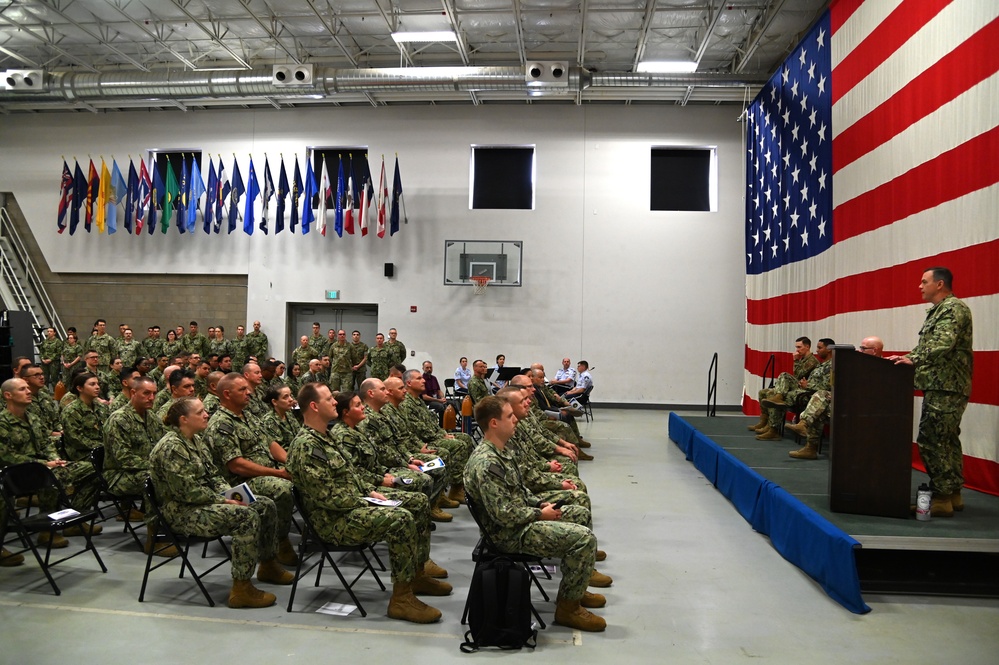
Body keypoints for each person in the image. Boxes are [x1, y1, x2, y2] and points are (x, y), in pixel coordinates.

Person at [285, 382, 448, 624]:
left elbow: (352, 474)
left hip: (352, 505)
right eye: (329, 398)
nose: (334, 402)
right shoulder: (307, 445)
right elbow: (327, 498)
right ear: (314, 406)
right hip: (332, 521)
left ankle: (417, 573)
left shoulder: (326, 436)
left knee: (418, 501)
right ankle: (401, 599)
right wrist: (367, 500)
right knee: (400, 519)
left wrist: (371, 490)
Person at [465, 396, 608, 632]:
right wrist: (540, 514)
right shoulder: (486, 462)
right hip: (508, 535)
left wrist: (541, 504)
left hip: (520, 520)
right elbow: (503, 514)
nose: (515, 421)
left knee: (576, 512)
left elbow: (519, 491)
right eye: (509, 417)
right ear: (493, 423)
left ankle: (576, 588)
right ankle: (568, 608)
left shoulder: (501, 450)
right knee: (584, 539)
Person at [149, 398, 294, 609]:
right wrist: (223, 500)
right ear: (184, 419)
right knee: (246, 517)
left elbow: (214, 475)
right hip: (182, 510)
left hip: (203, 500)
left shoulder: (196, 440)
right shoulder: (172, 447)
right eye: (200, 412)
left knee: (264, 505)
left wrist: (234, 495)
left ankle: (268, 564)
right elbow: (187, 492)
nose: (206, 414)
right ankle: (241, 588)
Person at [888, 268, 973, 517]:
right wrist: (907, 357)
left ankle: (941, 497)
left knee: (932, 439)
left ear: (940, 284)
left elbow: (942, 343)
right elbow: (931, 344)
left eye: (924, 281)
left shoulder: (953, 308)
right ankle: (953, 494)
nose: (919, 286)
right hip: (941, 384)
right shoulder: (939, 310)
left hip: (946, 386)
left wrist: (912, 358)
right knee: (946, 439)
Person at [202, 372, 297, 565]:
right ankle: (280, 540)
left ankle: (278, 537)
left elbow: (270, 443)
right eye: (242, 390)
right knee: (283, 489)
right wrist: (278, 473)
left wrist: (291, 464)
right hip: (236, 484)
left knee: (301, 476)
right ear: (227, 394)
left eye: (247, 388)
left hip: (263, 472)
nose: (249, 393)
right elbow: (236, 465)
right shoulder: (222, 423)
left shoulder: (248, 416)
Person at [0, 377, 101, 548]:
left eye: (27, 388)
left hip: (43, 468)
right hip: (15, 473)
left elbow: (46, 443)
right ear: (8, 395)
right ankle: (44, 532)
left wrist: (54, 458)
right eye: (22, 389)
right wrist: (43, 464)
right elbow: (6, 456)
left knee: (93, 470)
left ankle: (71, 517)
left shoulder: (32, 418)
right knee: (50, 478)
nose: (28, 391)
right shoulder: (3, 423)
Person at [104, 375, 172, 554]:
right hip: (119, 475)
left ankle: (175, 526)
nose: (151, 398)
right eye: (146, 393)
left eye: (154, 394)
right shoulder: (119, 419)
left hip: (145, 469)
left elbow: (163, 443)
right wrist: (156, 467)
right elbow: (123, 459)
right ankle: (154, 539)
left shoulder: (151, 417)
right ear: (133, 393)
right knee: (153, 479)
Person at [786, 337, 884, 460]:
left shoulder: (883, 370)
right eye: (860, 347)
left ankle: (804, 425)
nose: (860, 351)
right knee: (819, 408)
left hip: (865, 408)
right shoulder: (857, 367)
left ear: (874, 350)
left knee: (820, 397)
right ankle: (810, 447)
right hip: (846, 403)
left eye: (863, 348)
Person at [399, 369, 473, 504]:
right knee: (458, 445)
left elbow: (430, 423)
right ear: (409, 383)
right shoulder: (406, 403)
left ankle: (457, 488)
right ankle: (445, 493)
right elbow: (418, 428)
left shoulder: (418, 400)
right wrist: (441, 436)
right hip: (425, 440)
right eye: (419, 378)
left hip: (433, 436)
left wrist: (443, 433)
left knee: (465, 438)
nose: (423, 381)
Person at [756, 339, 834, 441]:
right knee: (782, 378)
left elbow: (827, 385)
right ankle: (771, 419)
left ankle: (773, 428)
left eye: (820, 348)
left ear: (829, 349)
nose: (817, 350)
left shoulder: (823, 363)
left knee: (775, 394)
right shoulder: (822, 364)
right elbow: (798, 377)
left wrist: (808, 384)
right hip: (804, 389)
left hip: (811, 394)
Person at [749, 337, 819, 433]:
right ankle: (764, 421)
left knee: (784, 375)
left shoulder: (812, 361)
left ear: (807, 347)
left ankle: (773, 428)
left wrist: (795, 360)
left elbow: (798, 375)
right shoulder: (803, 359)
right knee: (763, 392)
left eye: (799, 347)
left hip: (803, 389)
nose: (797, 350)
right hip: (797, 387)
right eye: (796, 347)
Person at [260, 384, 300, 465]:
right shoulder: (269, 421)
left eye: (290, 395)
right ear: (274, 402)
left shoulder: (288, 414)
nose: (291, 399)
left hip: (297, 454)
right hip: (283, 462)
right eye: (286, 397)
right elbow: (279, 450)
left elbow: (299, 434)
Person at [327, 329, 353, 394]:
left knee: (347, 392)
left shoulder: (350, 346)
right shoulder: (333, 346)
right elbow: (329, 357)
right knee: (334, 392)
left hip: (347, 373)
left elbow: (354, 358)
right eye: (340, 334)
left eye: (343, 334)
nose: (342, 336)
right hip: (335, 372)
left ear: (345, 335)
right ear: (337, 336)